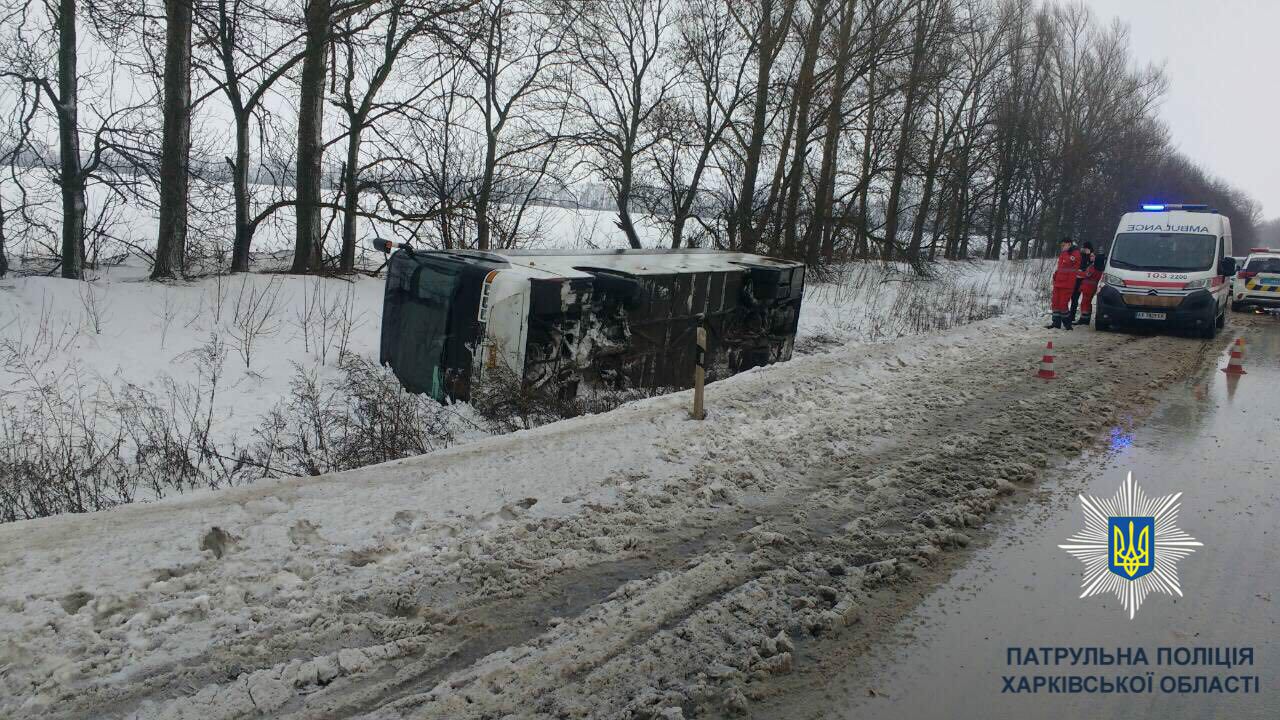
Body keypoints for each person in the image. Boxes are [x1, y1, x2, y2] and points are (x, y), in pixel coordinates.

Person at [1048, 237, 1082, 330]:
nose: (1062, 247)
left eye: (1064, 245)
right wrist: (1055, 276)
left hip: (1067, 284)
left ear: (1069, 244)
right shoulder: (1064, 253)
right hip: (1058, 282)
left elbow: (1068, 262)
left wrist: (1067, 253)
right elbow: (1060, 267)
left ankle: (1067, 324)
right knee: (1055, 304)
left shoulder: (1075, 253)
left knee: (1063, 304)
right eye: (1061, 245)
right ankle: (1056, 323)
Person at [1078, 244, 1103, 326]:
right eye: (1091, 256)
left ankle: (1084, 320)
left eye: (1092, 256)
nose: (1091, 257)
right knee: (1085, 303)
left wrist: (1078, 272)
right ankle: (1084, 318)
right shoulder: (1093, 265)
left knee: (1086, 303)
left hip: (1089, 287)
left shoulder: (1095, 266)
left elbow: (1087, 274)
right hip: (1087, 287)